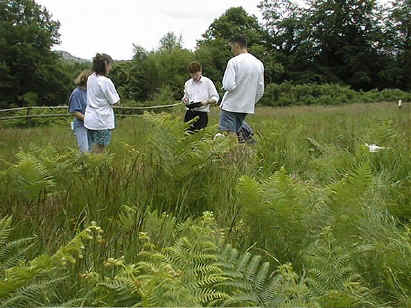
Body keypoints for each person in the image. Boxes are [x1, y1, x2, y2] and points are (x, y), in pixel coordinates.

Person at [219, 36, 264, 142]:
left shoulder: (233, 62)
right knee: (239, 133)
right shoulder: (258, 63)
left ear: (237, 45)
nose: (231, 50)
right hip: (246, 106)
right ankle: (244, 155)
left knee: (230, 135)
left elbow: (228, 85)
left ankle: (233, 157)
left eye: (231, 47)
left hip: (231, 105)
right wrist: (251, 101)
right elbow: (260, 89)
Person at [84, 53, 120, 153]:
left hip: (90, 120)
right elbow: (116, 101)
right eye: (109, 65)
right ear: (105, 64)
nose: (110, 68)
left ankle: (88, 166)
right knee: (100, 149)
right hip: (101, 121)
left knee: (91, 147)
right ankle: (95, 168)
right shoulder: (105, 81)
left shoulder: (91, 78)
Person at [182, 61, 219, 133]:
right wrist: (185, 99)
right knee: (186, 138)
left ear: (200, 71)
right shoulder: (187, 83)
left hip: (202, 114)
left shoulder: (207, 82)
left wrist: (207, 102)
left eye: (196, 74)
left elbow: (215, 98)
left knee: (199, 139)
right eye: (192, 75)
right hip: (189, 113)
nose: (194, 77)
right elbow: (185, 97)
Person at [69, 70, 93, 153]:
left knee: (91, 150)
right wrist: (87, 118)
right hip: (81, 126)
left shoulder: (91, 92)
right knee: (84, 151)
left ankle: (87, 166)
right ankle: (82, 165)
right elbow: (74, 111)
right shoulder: (76, 93)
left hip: (91, 126)